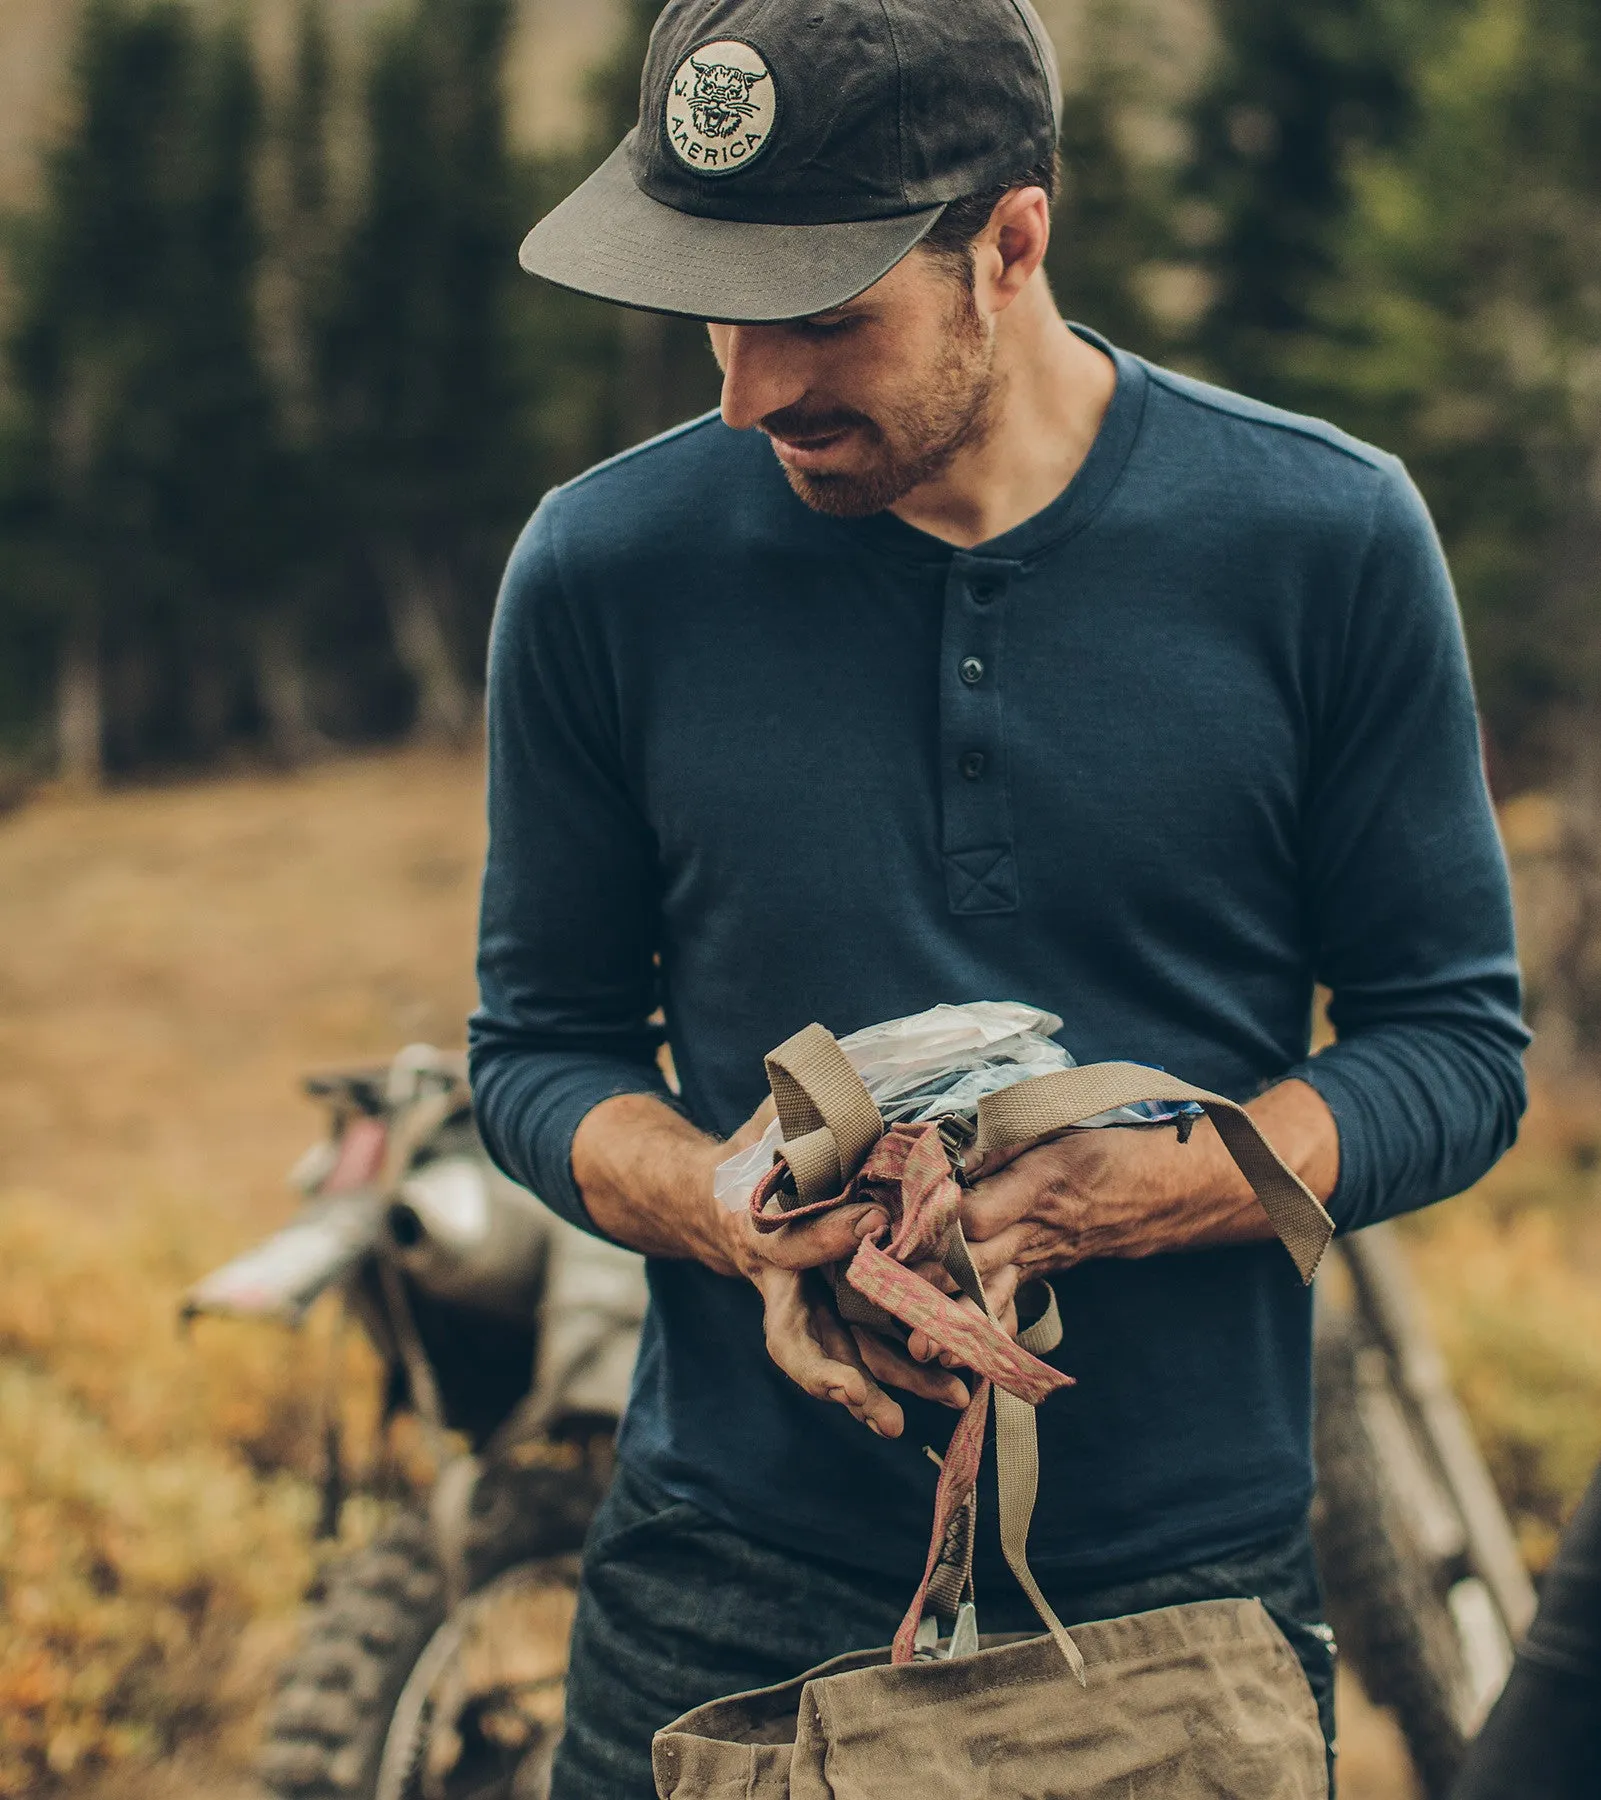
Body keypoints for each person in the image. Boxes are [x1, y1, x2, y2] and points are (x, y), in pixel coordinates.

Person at [470, 1, 1530, 1794]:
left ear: (1010, 243)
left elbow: (1455, 1049)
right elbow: (539, 1052)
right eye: (714, 306)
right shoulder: (603, 567)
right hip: (718, 1587)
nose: (745, 392)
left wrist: (1161, 1192)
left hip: (1182, 1599)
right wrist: (723, 1201)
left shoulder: (1323, 539)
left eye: (818, 312)